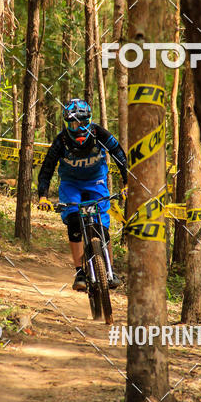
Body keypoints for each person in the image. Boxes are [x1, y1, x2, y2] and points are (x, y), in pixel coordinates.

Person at [37, 98, 127, 291]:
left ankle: (110, 271)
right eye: (73, 124)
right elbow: (47, 168)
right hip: (71, 184)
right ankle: (80, 272)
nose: (78, 129)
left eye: (82, 124)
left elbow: (119, 154)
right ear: (66, 124)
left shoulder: (99, 133)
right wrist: (43, 196)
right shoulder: (61, 140)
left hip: (96, 182)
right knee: (75, 222)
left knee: (103, 229)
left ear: (89, 122)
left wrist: (128, 183)